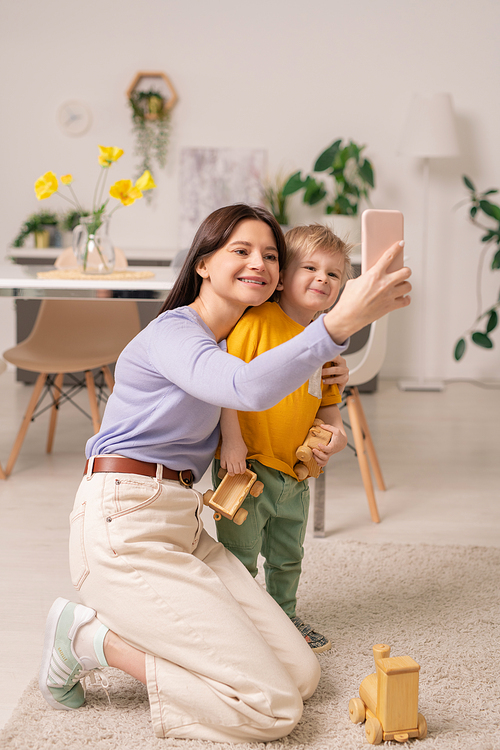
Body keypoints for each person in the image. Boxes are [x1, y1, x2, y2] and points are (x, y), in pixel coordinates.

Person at [38, 204, 411, 743]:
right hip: (124, 521)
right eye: (241, 250)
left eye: (270, 255)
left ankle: (143, 639)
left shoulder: (245, 341)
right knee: (274, 710)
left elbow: (273, 386)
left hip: (183, 525)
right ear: (204, 264)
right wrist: (337, 326)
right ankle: (89, 640)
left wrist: (328, 408)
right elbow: (244, 389)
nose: (258, 262)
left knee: (303, 676)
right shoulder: (175, 334)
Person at [212, 224, 351, 654]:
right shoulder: (256, 323)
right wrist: (230, 443)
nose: (322, 279)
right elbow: (224, 385)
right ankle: (240, 624)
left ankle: (284, 617)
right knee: (238, 557)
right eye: (310, 267)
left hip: (295, 473)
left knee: (289, 554)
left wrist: (338, 434)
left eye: (334, 274)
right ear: (283, 275)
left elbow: (327, 406)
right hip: (246, 467)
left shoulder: (324, 342)